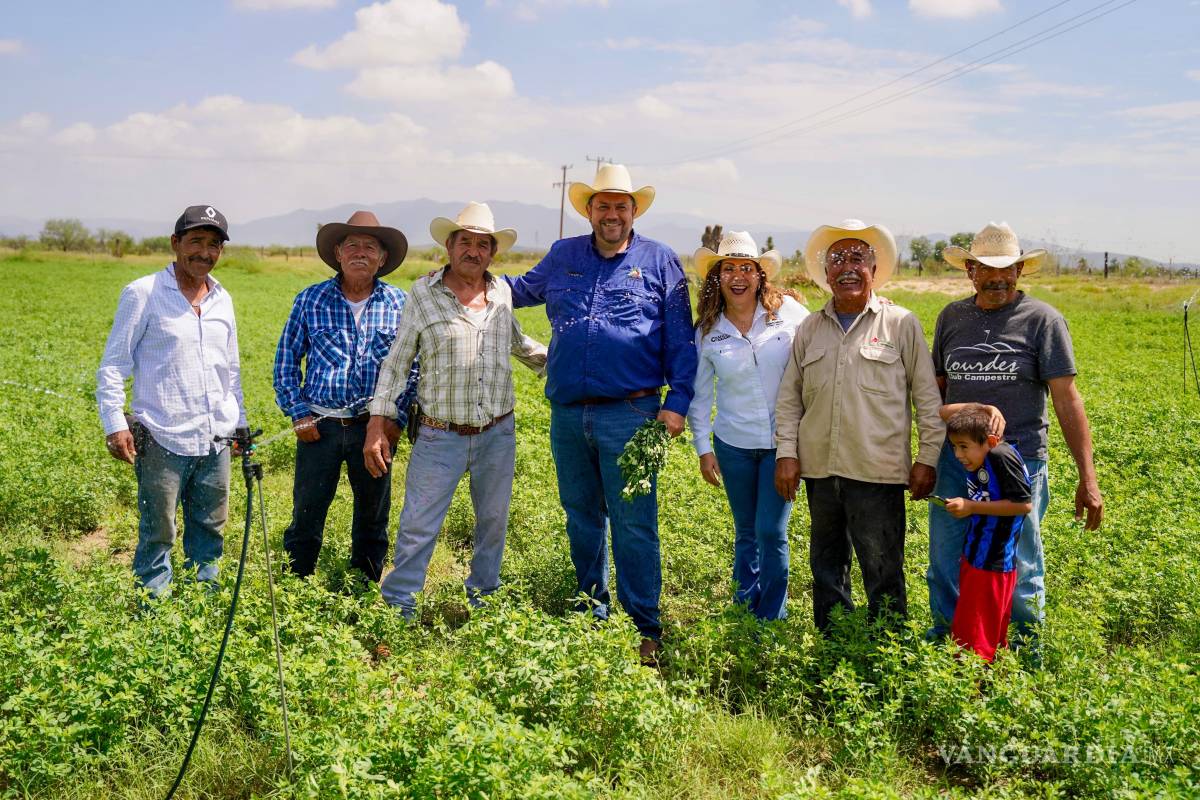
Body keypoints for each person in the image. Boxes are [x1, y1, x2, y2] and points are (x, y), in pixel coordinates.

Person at [505, 163, 697, 664]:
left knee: (635, 522)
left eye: (621, 205)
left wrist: (677, 403)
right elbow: (518, 291)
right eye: (603, 205)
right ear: (589, 211)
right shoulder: (563, 255)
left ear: (634, 212)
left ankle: (644, 626)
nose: (612, 214)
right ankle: (592, 610)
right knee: (581, 516)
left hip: (632, 413)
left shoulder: (660, 261)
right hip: (568, 414)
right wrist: (463, 278)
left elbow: (680, 338)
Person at [363, 202, 547, 615]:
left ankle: (483, 604)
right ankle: (398, 610)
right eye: (465, 241)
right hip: (438, 434)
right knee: (417, 527)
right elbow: (397, 362)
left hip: (497, 434)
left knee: (493, 525)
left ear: (493, 253)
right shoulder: (423, 295)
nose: (474, 251)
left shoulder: (501, 293)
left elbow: (518, 343)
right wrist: (379, 421)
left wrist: (572, 365)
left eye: (484, 245)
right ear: (449, 245)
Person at [927, 221, 1103, 650]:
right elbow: (936, 391)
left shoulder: (1043, 320)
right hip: (957, 459)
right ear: (970, 269)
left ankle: (1024, 653)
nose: (998, 277)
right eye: (987, 268)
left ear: (1021, 271)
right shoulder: (951, 318)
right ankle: (953, 647)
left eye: (1008, 268)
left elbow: (1067, 400)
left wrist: (1088, 476)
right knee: (946, 558)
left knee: (1020, 561)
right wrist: (925, 456)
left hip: (1018, 461)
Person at [774, 219, 944, 632]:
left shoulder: (901, 324)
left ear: (873, 268)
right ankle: (834, 644)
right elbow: (789, 399)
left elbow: (927, 398)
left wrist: (927, 458)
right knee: (826, 568)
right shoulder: (809, 329)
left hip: (877, 473)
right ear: (826, 273)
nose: (847, 267)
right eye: (837, 259)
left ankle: (887, 655)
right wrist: (787, 454)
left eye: (857, 258)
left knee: (883, 569)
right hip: (819, 471)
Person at [96, 205, 246, 598]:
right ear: (176, 243)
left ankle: (203, 604)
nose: (205, 252)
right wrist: (114, 422)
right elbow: (113, 365)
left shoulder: (222, 298)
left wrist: (239, 422)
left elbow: (229, 370)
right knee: (158, 531)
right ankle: (156, 616)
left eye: (214, 245)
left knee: (211, 528)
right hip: (162, 436)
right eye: (196, 241)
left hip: (215, 438)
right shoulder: (143, 293)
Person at [273, 210, 417, 584]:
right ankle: (296, 585)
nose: (360, 252)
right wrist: (297, 413)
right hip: (319, 429)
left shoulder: (400, 305)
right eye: (352, 244)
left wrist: (393, 420)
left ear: (382, 258)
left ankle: (364, 589)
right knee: (307, 511)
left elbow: (412, 369)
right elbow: (286, 361)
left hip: (374, 430)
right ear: (337, 252)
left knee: (373, 515)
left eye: (370, 246)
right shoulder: (311, 300)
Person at [686, 230, 807, 621]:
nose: (738, 276)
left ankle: (771, 615)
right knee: (746, 532)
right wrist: (703, 449)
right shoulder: (708, 330)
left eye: (746, 268)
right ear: (717, 277)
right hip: (733, 445)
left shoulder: (787, 314)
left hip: (781, 444)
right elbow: (700, 396)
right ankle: (744, 605)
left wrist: (875, 304)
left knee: (771, 531)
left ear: (760, 275)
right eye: (728, 268)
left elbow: (828, 329)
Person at [942, 405, 1032, 662]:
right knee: (984, 633)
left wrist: (971, 506)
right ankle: (991, 682)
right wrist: (987, 408)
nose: (958, 455)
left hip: (991, 563)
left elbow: (1023, 504)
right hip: (978, 556)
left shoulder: (1001, 456)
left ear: (990, 441)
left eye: (963, 446)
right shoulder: (989, 453)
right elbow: (943, 411)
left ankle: (972, 692)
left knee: (975, 637)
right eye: (954, 447)